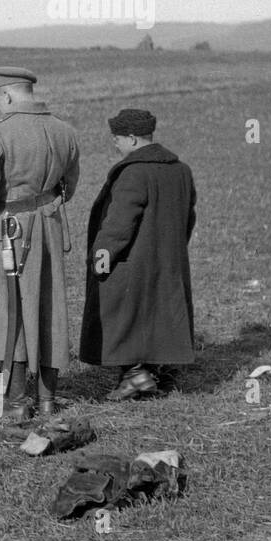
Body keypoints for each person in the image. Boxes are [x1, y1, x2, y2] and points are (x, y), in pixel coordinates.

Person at [0, 66, 79, 420]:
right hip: (49, 223)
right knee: (49, 306)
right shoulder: (65, 130)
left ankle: (15, 401)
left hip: (9, 229)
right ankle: (46, 399)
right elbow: (68, 186)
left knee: (10, 309)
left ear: (7, 95)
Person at [80, 109, 197, 399]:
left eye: (116, 138)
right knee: (157, 313)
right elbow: (188, 218)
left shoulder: (134, 173)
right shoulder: (181, 170)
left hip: (131, 261)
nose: (115, 144)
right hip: (168, 259)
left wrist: (102, 254)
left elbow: (119, 224)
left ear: (132, 138)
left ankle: (134, 374)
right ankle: (151, 372)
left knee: (122, 312)